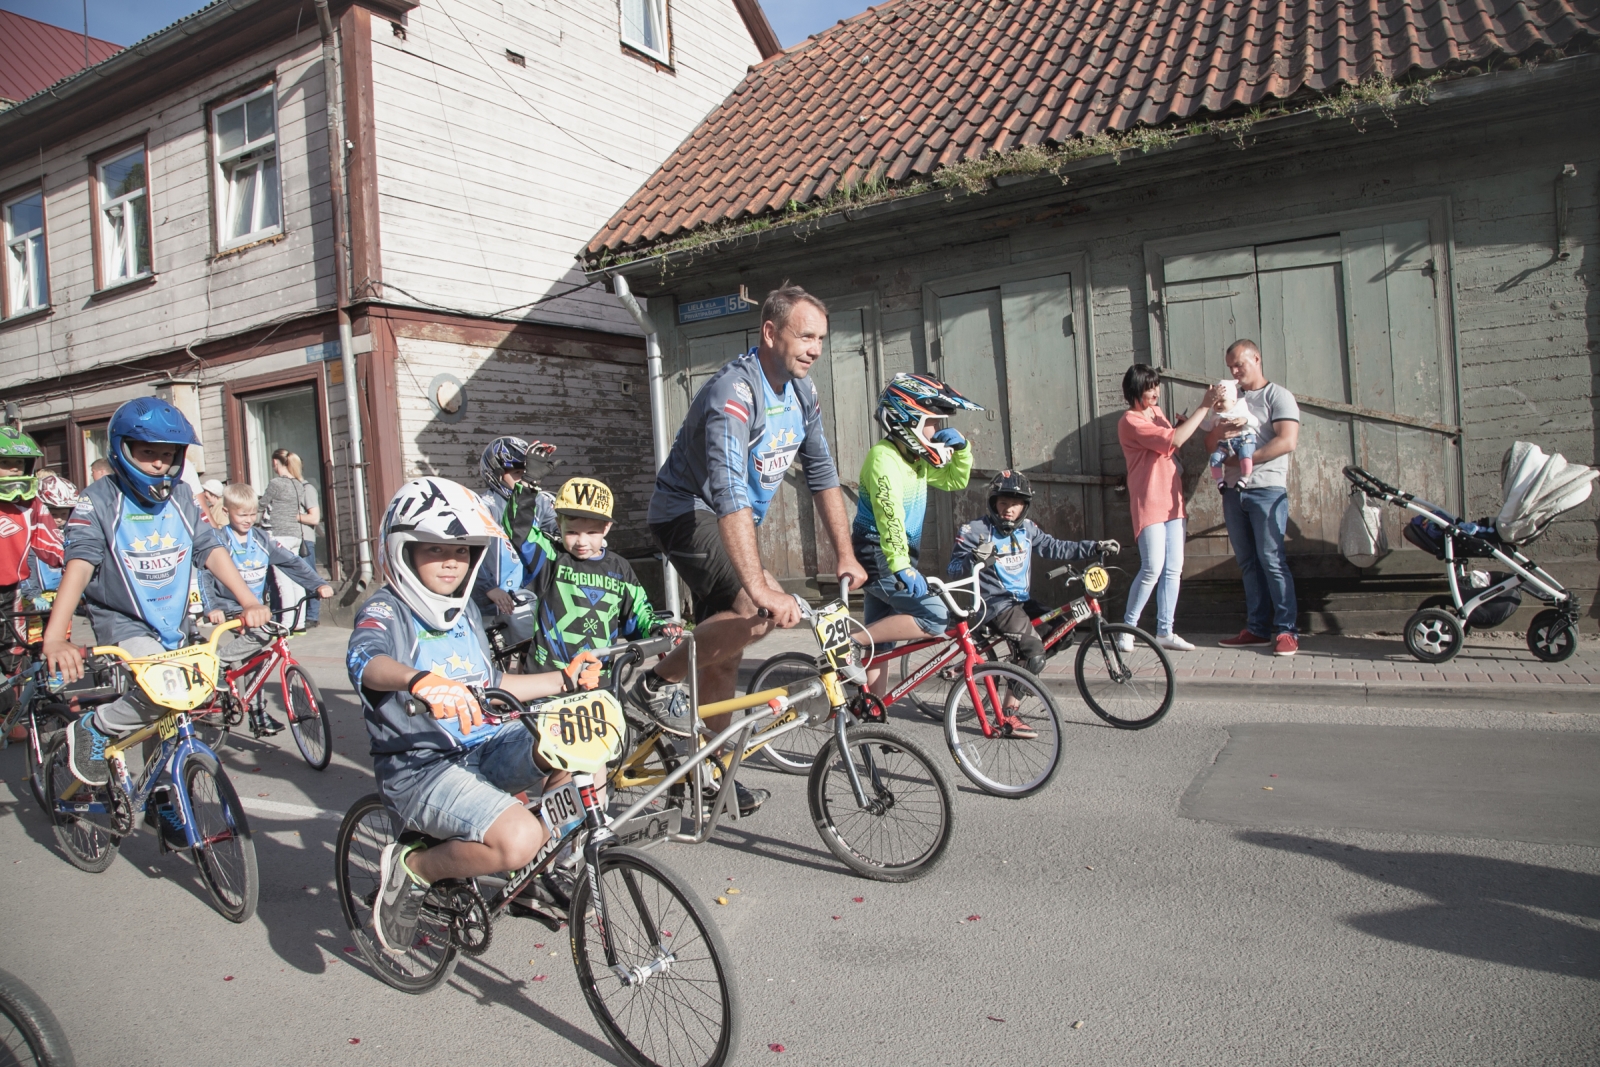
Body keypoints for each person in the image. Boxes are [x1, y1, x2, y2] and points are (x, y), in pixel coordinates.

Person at [632, 284, 869, 818]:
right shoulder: (734, 393)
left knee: (728, 650)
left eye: (821, 339)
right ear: (770, 332)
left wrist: (845, 554)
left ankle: (703, 768)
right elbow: (729, 490)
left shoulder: (803, 395)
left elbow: (824, 476)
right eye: (805, 335)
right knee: (758, 608)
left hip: (732, 521)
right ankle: (655, 684)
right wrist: (760, 583)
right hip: (685, 513)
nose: (814, 348)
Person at [345, 477, 601, 952]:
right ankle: (414, 868)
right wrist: (417, 680)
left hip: (485, 745)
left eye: (463, 552)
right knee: (518, 836)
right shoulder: (386, 610)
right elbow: (366, 662)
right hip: (421, 768)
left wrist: (564, 680)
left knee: (578, 745)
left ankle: (530, 859)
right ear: (403, 551)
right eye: (435, 550)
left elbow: (492, 686)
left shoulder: (463, 612)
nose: (451, 562)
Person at [41, 398, 272, 787]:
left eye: (168, 455)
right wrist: (53, 637)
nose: (159, 464)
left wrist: (249, 600)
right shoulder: (96, 500)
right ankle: (95, 728)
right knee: (166, 692)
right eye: (148, 453)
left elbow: (210, 549)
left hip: (175, 624)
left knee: (176, 713)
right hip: (124, 622)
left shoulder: (182, 496)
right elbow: (79, 566)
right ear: (122, 448)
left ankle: (163, 795)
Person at [948, 470, 1119, 727]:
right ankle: (1007, 715)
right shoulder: (974, 530)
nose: (1008, 510)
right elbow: (952, 569)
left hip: (1019, 601)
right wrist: (973, 558)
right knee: (1034, 653)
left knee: (1063, 633)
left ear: (1024, 506)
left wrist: (1093, 546)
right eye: (1003, 503)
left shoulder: (1028, 529)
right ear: (993, 502)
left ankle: (1019, 667)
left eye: (1015, 504)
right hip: (992, 604)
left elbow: (1055, 546)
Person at [851, 373, 980, 695]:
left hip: (896, 556)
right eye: (932, 423)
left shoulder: (915, 460)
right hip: (879, 554)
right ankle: (843, 643)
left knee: (882, 645)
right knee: (935, 617)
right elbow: (889, 517)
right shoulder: (883, 458)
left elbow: (953, 481)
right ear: (906, 419)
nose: (937, 432)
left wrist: (962, 450)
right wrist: (900, 566)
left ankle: (871, 715)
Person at [203, 482, 333, 734]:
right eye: (242, 514)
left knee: (259, 660)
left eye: (253, 514)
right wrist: (212, 607)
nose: (249, 520)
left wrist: (318, 584)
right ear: (227, 511)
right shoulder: (218, 540)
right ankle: (218, 663)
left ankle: (258, 715)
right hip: (229, 606)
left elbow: (291, 562)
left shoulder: (261, 539)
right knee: (263, 636)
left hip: (257, 607)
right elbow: (204, 574)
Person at [1206, 340, 1301, 656]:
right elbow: (1209, 441)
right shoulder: (1232, 399)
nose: (1234, 371)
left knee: (1272, 560)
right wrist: (1216, 422)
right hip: (1234, 492)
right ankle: (1257, 629)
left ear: (1256, 358)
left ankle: (1287, 631)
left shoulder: (1278, 396)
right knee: (1247, 562)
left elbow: (1287, 441)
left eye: (1239, 364)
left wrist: (1244, 461)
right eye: (1230, 366)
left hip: (1267, 489)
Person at [516, 476, 667, 673]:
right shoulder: (549, 557)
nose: (581, 542)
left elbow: (638, 614)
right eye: (572, 532)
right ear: (558, 525)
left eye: (591, 532)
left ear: (607, 528)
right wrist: (527, 485)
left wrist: (658, 628)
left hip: (598, 678)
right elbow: (518, 530)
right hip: (548, 680)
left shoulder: (620, 567)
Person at [1117, 365, 1221, 652]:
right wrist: (1204, 407)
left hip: (1172, 500)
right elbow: (1174, 440)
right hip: (1149, 500)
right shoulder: (1130, 421)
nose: (1154, 392)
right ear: (1134, 391)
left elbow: (1174, 439)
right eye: (1148, 388)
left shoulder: (1157, 412)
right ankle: (1127, 629)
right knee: (1152, 568)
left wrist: (1185, 422)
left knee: (1173, 568)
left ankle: (1165, 631)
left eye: (1156, 386)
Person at [0, 433, 65, 727]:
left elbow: (52, 547)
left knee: (13, 654)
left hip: (11, 590)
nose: (14, 469)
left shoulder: (32, 504)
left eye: (18, 463)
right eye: (5, 463)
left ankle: (8, 718)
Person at [472, 436, 556, 618]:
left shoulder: (540, 501)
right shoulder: (483, 506)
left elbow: (558, 531)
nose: (523, 479)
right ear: (496, 472)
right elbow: (469, 552)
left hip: (532, 594)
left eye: (528, 472)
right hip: (492, 600)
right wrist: (489, 588)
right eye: (518, 473)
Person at [17, 472, 79, 645]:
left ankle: (59, 671)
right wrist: (33, 595)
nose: (58, 519)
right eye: (53, 513)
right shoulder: (32, 535)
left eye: (63, 513)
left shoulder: (71, 535)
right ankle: (34, 669)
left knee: (63, 637)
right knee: (33, 640)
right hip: (35, 597)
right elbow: (25, 567)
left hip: (62, 594)